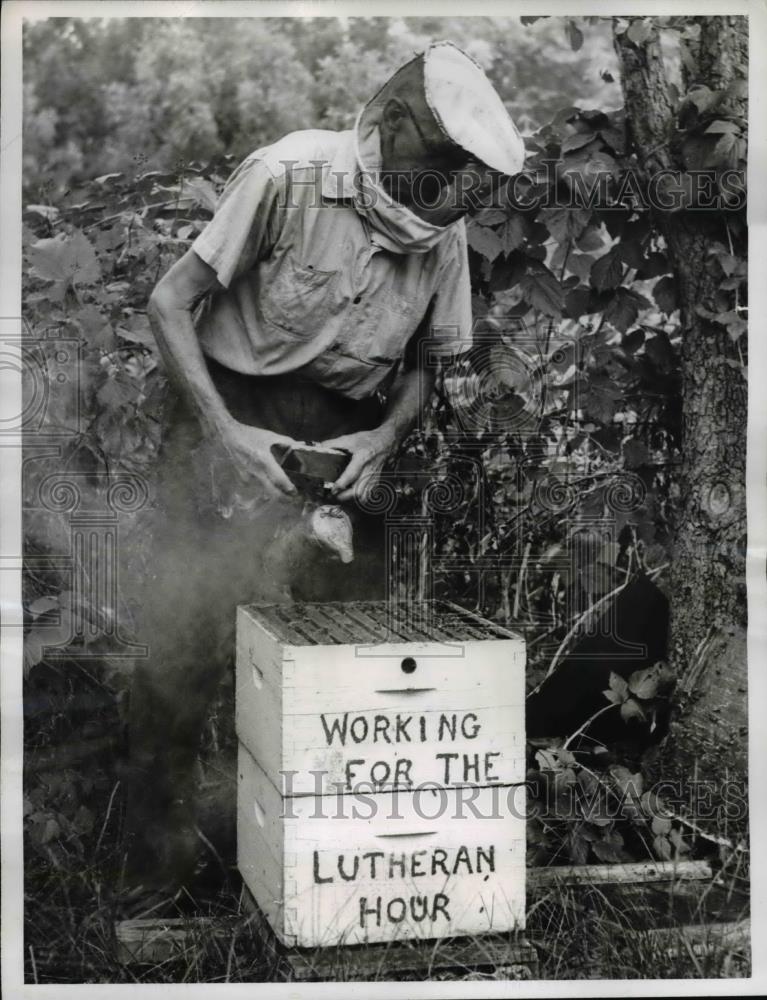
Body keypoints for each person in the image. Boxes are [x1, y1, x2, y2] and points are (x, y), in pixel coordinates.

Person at [121, 40, 525, 899]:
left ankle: (325, 866)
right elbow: (169, 302)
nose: (436, 205)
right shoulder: (287, 174)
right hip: (226, 405)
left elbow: (426, 370)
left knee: (352, 653)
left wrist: (377, 446)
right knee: (183, 635)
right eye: (431, 182)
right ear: (389, 137)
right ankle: (153, 864)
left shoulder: (443, 237)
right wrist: (228, 435)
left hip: (348, 429)